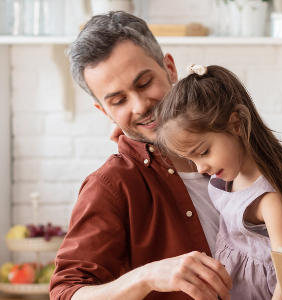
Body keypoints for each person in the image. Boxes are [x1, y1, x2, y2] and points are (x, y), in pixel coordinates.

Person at [50, 12, 233, 300]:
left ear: (170, 69)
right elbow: (66, 293)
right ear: (104, 112)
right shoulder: (111, 186)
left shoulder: (235, 140)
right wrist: (147, 276)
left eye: (144, 83)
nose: (140, 106)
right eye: (119, 100)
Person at [153, 64, 282, 300]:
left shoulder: (267, 200)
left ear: (236, 124)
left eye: (204, 152)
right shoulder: (228, 177)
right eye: (191, 160)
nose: (201, 168)